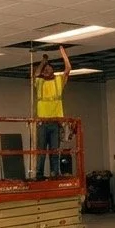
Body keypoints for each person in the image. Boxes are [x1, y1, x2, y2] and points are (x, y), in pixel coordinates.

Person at [31, 46, 73, 179]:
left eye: (49, 68)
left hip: (55, 123)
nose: (47, 69)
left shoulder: (58, 81)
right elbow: (35, 74)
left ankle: (55, 173)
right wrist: (43, 62)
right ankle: (39, 174)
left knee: (55, 151)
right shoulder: (40, 82)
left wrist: (63, 54)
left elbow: (68, 69)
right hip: (42, 123)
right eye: (45, 69)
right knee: (42, 151)